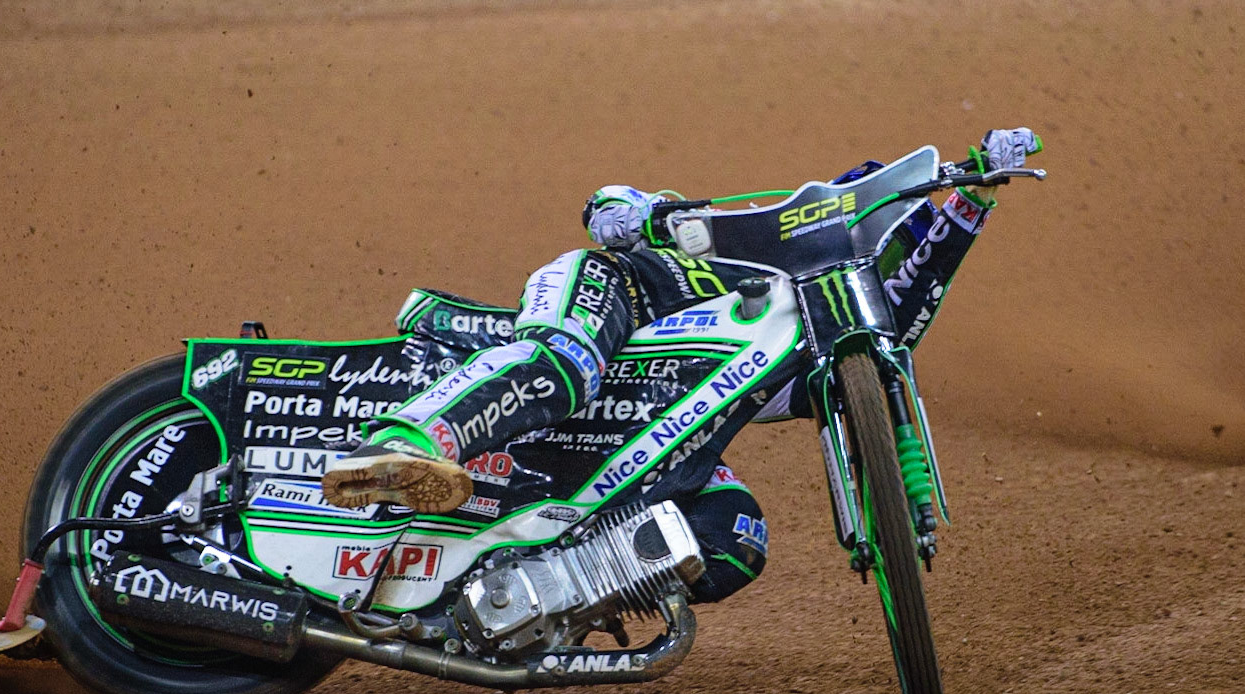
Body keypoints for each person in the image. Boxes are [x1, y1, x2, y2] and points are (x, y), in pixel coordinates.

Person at [322, 128, 1038, 603]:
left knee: (735, 534)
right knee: (564, 364)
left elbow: (890, 331)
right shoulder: (730, 244)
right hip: (612, 298)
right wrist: (636, 213)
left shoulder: (794, 344)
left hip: (636, 452)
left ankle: (540, 598)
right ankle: (405, 445)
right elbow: (605, 205)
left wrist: (969, 200)